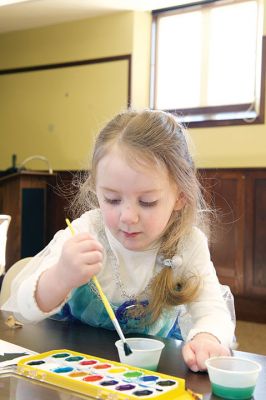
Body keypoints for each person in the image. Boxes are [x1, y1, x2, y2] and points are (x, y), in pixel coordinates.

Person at [2, 109, 235, 372]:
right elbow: (22, 310)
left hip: (148, 376)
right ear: (96, 190)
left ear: (180, 196)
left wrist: (208, 337)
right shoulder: (86, 230)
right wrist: (60, 276)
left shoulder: (187, 243)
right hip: (74, 371)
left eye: (147, 202)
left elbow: (212, 310)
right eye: (112, 199)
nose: (127, 216)